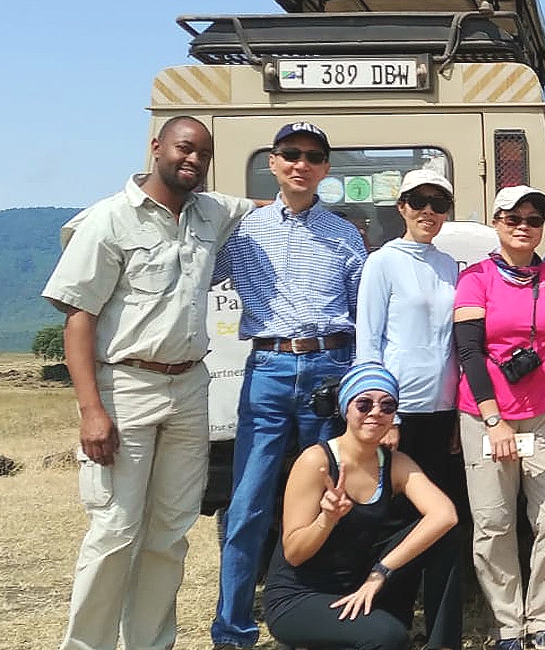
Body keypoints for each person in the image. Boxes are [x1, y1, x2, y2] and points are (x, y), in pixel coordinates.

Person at [42, 116, 257, 650]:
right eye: (185, 148)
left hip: (189, 388)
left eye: (204, 154)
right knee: (114, 531)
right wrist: (91, 410)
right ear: (156, 147)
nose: (194, 160)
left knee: (170, 533)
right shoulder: (109, 220)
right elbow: (78, 319)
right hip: (126, 388)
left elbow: (271, 208)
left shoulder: (212, 212)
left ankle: (150, 643)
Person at [212, 121, 368, 650]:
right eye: (291, 154)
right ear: (273, 163)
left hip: (330, 368)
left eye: (313, 156)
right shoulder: (243, 232)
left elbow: (362, 316)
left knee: (332, 496)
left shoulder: (345, 235)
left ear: (326, 169)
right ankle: (233, 629)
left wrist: (357, 384)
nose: (302, 164)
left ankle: (322, 613)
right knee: (248, 503)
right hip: (269, 370)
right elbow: (194, 275)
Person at [453, 185, 545, 650]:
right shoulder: (474, 279)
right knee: (493, 522)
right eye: (513, 218)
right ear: (496, 222)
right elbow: (469, 352)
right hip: (485, 417)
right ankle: (508, 624)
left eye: (533, 220)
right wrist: (494, 420)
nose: (523, 226)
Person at [262, 362, 458, 650]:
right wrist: (326, 519)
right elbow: (294, 554)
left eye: (387, 406)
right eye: (364, 404)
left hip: (358, 583)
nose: (376, 412)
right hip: (299, 595)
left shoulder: (395, 463)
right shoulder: (316, 461)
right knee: (388, 637)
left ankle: (443, 645)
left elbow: (445, 515)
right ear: (346, 409)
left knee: (444, 535)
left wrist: (381, 572)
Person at [354, 169, 467, 650]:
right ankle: (391, 626)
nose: (428, 211)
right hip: (400, 416)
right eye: (418, 201)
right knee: (398, 523)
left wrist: (461, 413)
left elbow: (458, 345)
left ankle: (443, 635)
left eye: (439, 203)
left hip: (444, 414)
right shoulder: (382, 263)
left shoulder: (450, 266)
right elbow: (368, 343)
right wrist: (384, 416)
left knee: (448, 523)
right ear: (401, 207)